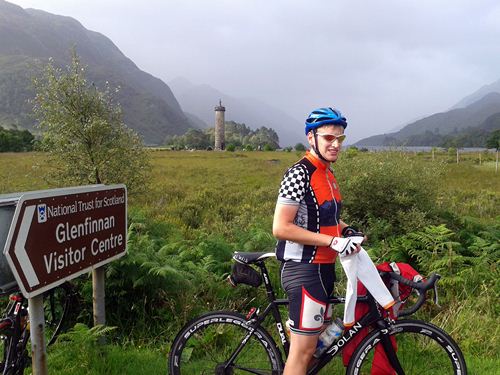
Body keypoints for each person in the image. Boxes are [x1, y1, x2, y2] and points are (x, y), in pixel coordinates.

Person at [272, 107, 363, 375]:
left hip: (324, 269)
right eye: (328, 138)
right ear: (311, 138)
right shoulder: (299, 173)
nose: (336, 144)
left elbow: (325, 217)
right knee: (302, 354)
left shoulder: (327, 174)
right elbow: (281, 227)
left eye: (340, 139)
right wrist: (332, 242)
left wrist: (346, 231)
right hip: (304, 269)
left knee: (314, 348)